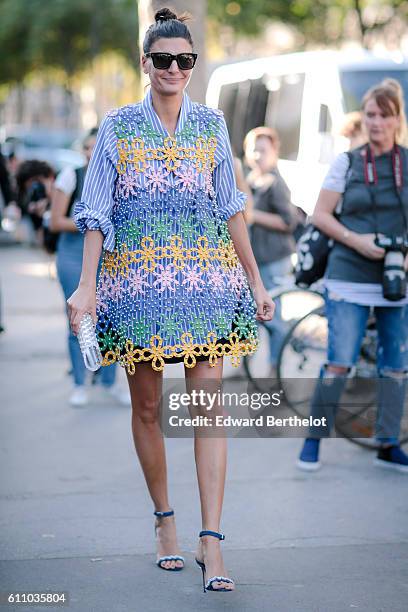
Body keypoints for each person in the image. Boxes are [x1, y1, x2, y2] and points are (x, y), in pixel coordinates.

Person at [66, 7, 274, 593]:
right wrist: (86, 285)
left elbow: (232, 207)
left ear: (192, 65)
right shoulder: (117, 127)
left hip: (209, 286)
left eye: (185, 60)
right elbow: (96, 212)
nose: (175, 68)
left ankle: (212, 539)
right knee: (150, 411)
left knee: (208, 411)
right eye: (164, 60)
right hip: (136, 292)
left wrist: (256, 281)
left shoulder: (210, 125)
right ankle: (165, 520)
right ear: (146, 64)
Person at [297, 80, 408, 473]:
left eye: (384, 115)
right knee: (340, 361)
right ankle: (313, 439)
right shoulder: (347, 162)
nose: (376, 122)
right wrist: (356, 241)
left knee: (395, 364)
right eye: (370, 115)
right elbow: (320, 215)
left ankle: (387, 442)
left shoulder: (406, 162)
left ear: (397, 118)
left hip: (396, 279)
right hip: (348, 274)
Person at [50, 129, 129, 407]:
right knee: (79, 319)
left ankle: (108, 382)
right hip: (73, 254)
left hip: (109, 257)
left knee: (110, 320)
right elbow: (55, 221)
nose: (92, 152)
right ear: (82, 150)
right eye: (88, 147)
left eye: (98, 147)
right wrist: (93, 223)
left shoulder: (120, 174)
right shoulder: (72, 175)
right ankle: (79, 383)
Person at [244, 126, 297, 378]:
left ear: (274, 152)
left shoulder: (277, 184)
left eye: (263, 150)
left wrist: (254, 216)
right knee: (249, 314)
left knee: (273, 318)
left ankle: (275, 369)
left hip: (275, 258)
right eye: (253, 149)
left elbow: (289, 221)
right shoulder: (251, 180)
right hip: (255, 258)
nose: (257, 155)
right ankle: (245, 365)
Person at [16, 160, 55, 246]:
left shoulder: (65, 190)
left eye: (38, 183)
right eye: (30, 187)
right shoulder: (32, 206)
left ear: (50, 177)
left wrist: (50, 203)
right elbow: (43, 243)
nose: (36, 190)